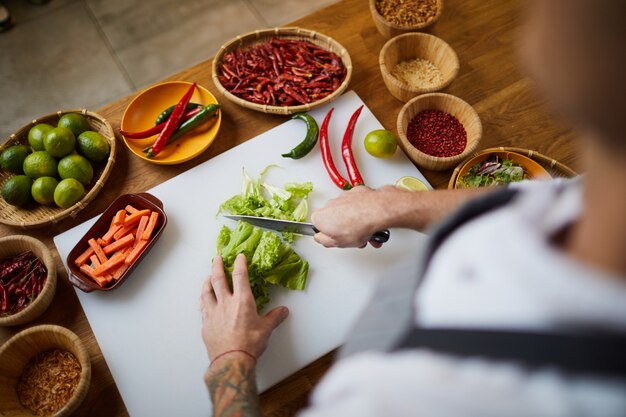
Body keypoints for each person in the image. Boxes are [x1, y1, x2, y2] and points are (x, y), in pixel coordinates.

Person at [200, 0, 626, 415]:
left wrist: (230, 361)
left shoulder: (403, 393)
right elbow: (544, 202)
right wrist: (396, 205)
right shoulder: (599, 193)